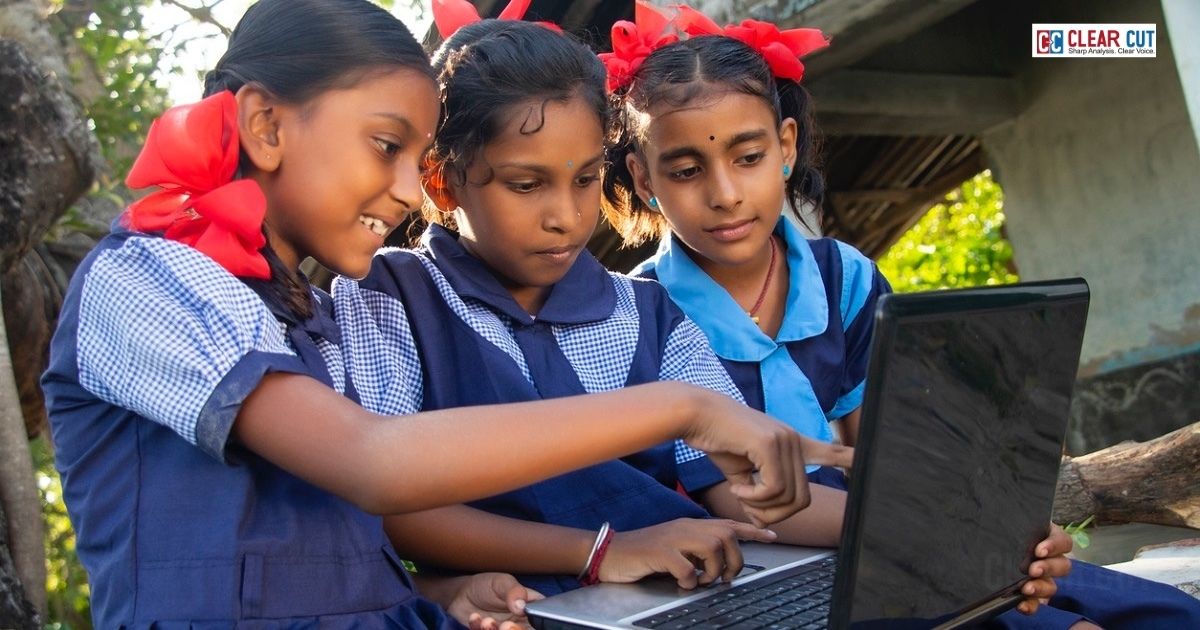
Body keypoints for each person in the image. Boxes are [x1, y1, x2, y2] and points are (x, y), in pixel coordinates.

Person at [38, 1, 829, 627]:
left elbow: (341, 543)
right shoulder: (148, 278)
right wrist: (683, 408)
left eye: (416, 161)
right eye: (387, 146)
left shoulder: (311, 311)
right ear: (266, 126)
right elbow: (375, 465)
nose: (410, 192)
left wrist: (446, 592)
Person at [331, 10, 1062, 610]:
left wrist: (945, 533)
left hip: (681, 594)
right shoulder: (389, 300)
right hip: (531, 598)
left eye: (584, 180)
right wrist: (599, 552)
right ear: (443, 181)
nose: (566, 216)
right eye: (527, 185)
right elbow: (395, 506)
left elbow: (745, 493)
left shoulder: (647, 314)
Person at [601, 4, 1200, 628]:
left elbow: (888, 449)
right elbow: (744, 502)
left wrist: (997, 530)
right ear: (644, 179)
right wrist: (939, 534)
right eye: (687, 171)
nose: (725, 194)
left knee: (1165, 614)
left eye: (748, 157)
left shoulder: (843, 277)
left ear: (785, 146)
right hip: (768, 564)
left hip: (892, 532)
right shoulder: (643, 317)